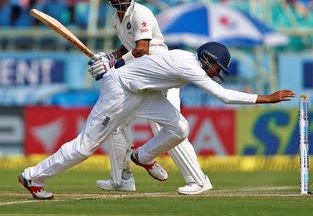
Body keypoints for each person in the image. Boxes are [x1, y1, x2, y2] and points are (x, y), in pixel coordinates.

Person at [18, 41, 295, 200]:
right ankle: (33, 177)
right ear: (206, 59)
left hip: (144, 93)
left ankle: (144, 155)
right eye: (216, 67)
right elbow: (222, 96)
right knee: (85, 147)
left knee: (180, 128)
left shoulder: (185, 58)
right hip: (121, 91)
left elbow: (147, 61)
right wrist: (266, 98)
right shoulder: (190, 66)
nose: (216, 73)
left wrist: (115, 61)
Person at [86, 0, 213, 195]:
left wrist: (113, 64)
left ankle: (199, 180)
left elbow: (142, 49)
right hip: (140, 79)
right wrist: (111, 56)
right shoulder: (117, 19)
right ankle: (122, 179)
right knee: (115, 123)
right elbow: (128, 45)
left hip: (161, 76)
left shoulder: (141, 13)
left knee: (169, 127)